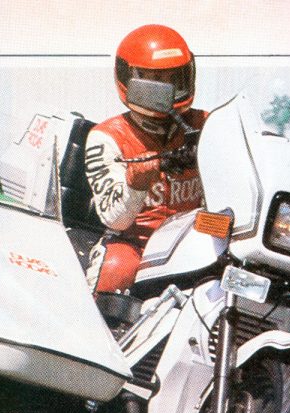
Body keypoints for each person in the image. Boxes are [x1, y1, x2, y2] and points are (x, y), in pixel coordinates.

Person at [85, 25, 208, 295]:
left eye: (174, 78)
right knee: (116, 267)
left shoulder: (207, 124)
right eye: (156, 79)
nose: (168, 88)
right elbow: (115, 220)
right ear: (130, 79)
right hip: (135, 245)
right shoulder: (108, 136)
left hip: (194, 242)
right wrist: (142, 174)